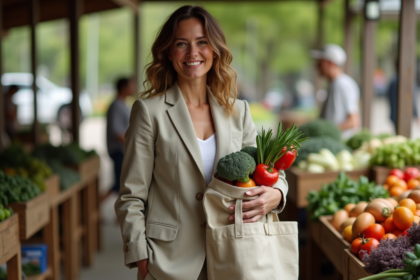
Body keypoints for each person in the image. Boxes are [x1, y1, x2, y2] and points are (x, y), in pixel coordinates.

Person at [114, 5, 288, 280]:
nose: (192, 53)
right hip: (169, 260)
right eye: (181, 44)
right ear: (169, 52)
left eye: (202, 42)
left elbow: (268, 170)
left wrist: (277, 194)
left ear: (215, 50)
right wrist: (139, 252)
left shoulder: (238, 111)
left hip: (234, 252)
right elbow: (131, 195)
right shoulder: (149, 112)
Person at [311, 44, 360, 139]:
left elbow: (353, 121)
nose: (317, 66)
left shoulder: (341, 84)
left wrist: (326, 132)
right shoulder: (335, 84)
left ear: (331, 63)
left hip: (340, 143)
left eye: (320, 62)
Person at [103, 77, 135, 203]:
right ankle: (93, 206)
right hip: (118, 151)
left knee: (120, 184)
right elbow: (116, 132)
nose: (133, 88)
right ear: (124, 88)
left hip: (122, 151)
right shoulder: (116, 106)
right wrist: (134, 143)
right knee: (119, 185)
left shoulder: (122, 104)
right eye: (131, 86)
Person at [386, 59, 420, 131]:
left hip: (395, 115)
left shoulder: (393, 81)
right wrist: (416, 115)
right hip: (405, 115)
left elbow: (388, 97)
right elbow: (412, 99)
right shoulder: (409, 81)